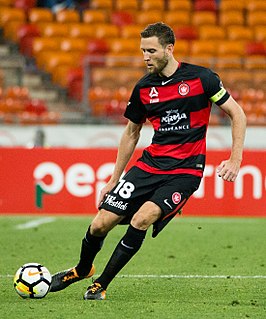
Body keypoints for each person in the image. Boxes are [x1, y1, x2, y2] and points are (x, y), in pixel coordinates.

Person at [50, 22, 247, 300]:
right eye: (143, 50)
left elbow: (237, 114)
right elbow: (132, 133)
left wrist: (235, 159)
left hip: (185, 172)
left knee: (142, 218)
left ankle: (101, 284)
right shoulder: (143, 88)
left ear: (169, 49)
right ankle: (83, 270)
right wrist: (113, 179)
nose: (145, 56)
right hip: (148, 166)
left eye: (151, 50)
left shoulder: (202, 79)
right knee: (99, 225)